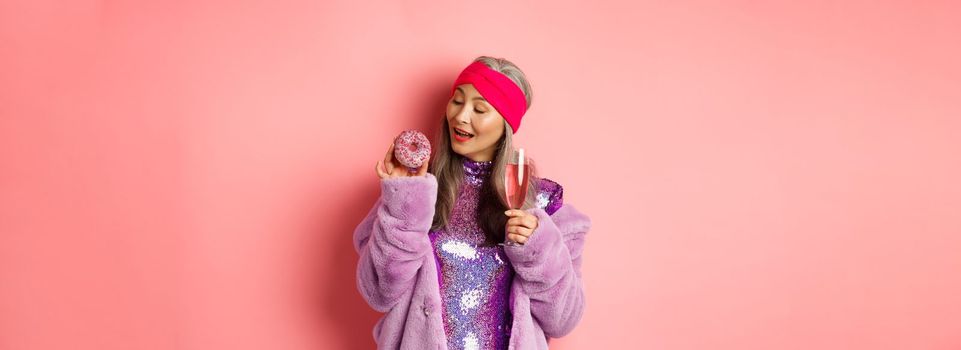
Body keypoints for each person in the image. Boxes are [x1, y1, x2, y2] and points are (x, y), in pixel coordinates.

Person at [354, 56, 592, 349]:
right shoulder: (419, 190)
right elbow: (379, 292)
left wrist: (538, 250)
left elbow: (564, 319)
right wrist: (404, 200)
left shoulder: (542, 205)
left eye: (479, 109)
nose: (461, 116)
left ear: (505, 124)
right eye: (457, 101)